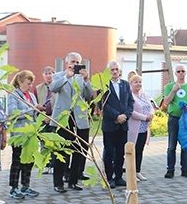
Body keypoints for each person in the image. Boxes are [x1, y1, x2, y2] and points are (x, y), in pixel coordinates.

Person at [49, 52, 94, 192]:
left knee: (79, 150)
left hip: (79, 118)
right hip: (63, 118)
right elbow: (53, 88)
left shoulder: (82, 78)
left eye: (78, 62)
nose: (75, 65)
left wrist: (87, 81)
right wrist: (67, 76)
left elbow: (88, 96)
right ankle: (58, 183)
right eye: (73, 62)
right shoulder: (58, 76)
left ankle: (73, 181)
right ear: (66, 62)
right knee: (61, 151)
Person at [7, 70, 44, 199]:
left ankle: (25, 185)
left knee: (29, 161)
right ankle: (13, 188)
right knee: (17, 161)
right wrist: (31, 109)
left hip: (30, 135)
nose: (30, 86)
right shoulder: (14, 95)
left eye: (32, 83)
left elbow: (33, 113)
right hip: (19, 134)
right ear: (20, 82)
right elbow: (13, 113)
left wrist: (39, 111)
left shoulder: (31, 96)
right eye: (28, 83)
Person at [162, 64, 187, 178]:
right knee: (171, 145)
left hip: (185, 119)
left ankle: (185, 169)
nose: (181, 73)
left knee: (185, 144)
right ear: (175, 73)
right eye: (178, 71)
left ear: (185, 72)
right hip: (173, 118)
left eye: (183, 71)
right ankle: (170, 170)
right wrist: (173, 91)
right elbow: (166, 102)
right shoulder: (169, 86)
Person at [101, 61, 133, 189]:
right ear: (108, 71)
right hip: (110, 123)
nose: (115, 72)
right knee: (109, 151)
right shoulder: (104, 85)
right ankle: (109, 177)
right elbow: (103, 104)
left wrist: (125, 115)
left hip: (123, 124)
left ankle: (118, 176)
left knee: (120, 151)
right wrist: (116, 116)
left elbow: (130, 102)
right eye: (112, 70)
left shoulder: (125, 84)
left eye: (117, 69)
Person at [128, 74, 154, 181]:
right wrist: (144, 117)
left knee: (140, 150)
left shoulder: (144, 94)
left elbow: (151, 106)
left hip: (144, 127)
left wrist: (151, 114)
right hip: (134, 127)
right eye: (136, 82)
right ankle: (131, 172)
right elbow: (130, 111)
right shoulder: (129, 96)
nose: (138, 84)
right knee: (132, 151)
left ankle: (138, 171)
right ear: (131, 84)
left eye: (140, 82)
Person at [35, 66, 58, 174]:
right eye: (46, 73)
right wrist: (43, 114)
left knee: (53, 142)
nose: (49, 75)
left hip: (54, 118)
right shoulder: (38, 88)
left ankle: (53, 165)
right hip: (43, 118)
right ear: (43, 75)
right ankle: (45, 164)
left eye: (51, 73)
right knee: (43, 143)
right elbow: (35, 104)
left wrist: (51, 116)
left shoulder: (58, 87)